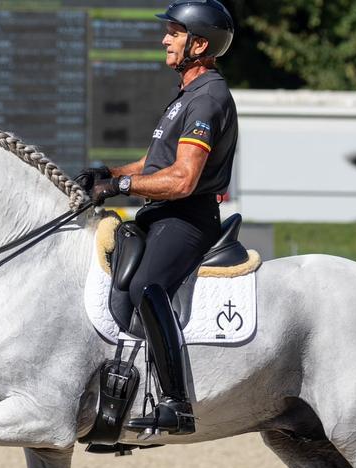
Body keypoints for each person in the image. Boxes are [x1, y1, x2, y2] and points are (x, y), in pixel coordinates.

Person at [76, 0, 237, 436]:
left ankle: (175, 402)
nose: (165, 39)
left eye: (174, 33)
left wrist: (122, 187)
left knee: (147, 286)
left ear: (199, 45)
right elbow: (155, 163)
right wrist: (110, 174)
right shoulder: (187, 95)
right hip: (161, 214)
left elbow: (182, 179)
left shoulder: (209, 98)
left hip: (187, 218)